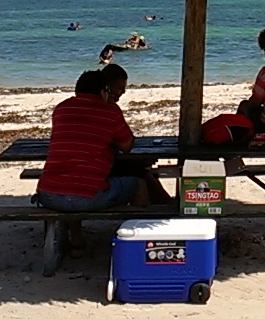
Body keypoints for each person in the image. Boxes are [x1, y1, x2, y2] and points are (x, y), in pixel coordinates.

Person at [34, 67, 166, 256]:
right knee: (139, 185)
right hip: (86, 197)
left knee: (74, 180)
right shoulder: (109, 112)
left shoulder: (61, 109)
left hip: (48, 194)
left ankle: (77, 243)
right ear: (104, 91)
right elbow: (127, 145)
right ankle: (136, 244)